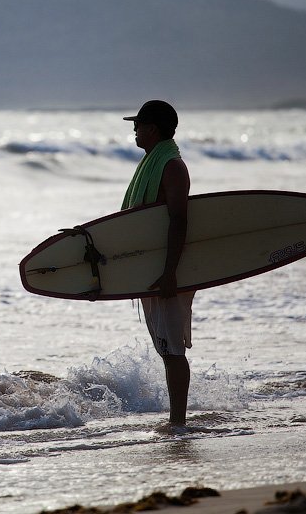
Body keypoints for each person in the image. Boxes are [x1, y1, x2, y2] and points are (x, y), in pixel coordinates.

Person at [122, 100, 193, 428]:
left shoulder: (172, 166)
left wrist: (169, 274)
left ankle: (178, 423)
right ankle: (175, 420)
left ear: (152, 129)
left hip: (169, 273)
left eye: (137, 125)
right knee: (167, 349)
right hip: (157, 271)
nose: (134, 130)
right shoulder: (154, 163)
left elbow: (179, 220)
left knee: (173, 350)